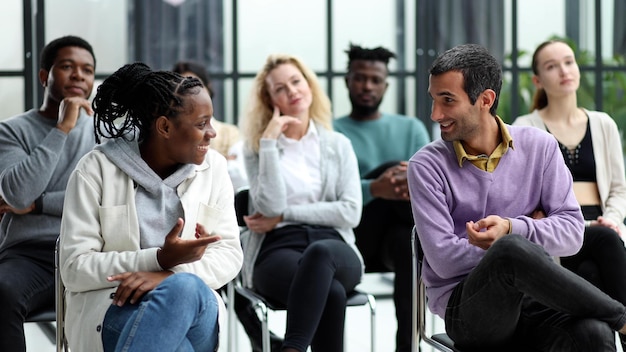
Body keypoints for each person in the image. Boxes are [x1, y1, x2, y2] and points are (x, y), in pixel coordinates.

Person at [408, 43, 626, 351]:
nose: (435, 114)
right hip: (469, 310)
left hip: (535, 300)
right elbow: (444, 261)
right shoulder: (425, 166)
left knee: (594, 332)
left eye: (447, 101)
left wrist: (514, 228)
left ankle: (613, 321)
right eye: (434, 100)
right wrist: (514, 246)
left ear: (485, 100)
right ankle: (621, 317)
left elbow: (572, 235)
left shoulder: (541, 147)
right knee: (509, 250)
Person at [59, 62, 243, 352]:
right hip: (116, 306)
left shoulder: (214, 168)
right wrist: (157, 258)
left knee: (184, 289)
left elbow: (230, 253)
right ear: (165, 127)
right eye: (201, 124)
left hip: (196, 308)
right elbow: (74, 267)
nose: (212, 133)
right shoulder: (96, 169)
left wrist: (167, 275)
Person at [239, 53, 363, 352]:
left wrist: (285, 215)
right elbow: (269, 207)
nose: (291, 91)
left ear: (309, 86)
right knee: (330, 292)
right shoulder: (257, 147)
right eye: (280, 88)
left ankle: (291, 348)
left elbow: (351, 211)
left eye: (296, 81)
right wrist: (269, 144)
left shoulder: (338, 145)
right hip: (278, 250)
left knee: (321, 254)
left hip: (335, 246)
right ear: (270, 100)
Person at [514, 39, 626, 348]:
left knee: (594, 266)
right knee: (604, 245)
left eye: (569, 61)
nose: (564, 70)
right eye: (552, 66)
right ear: (538, 80)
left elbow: (618, 188)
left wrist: (612, 218)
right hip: (559, 232)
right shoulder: (526, 127)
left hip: (604, 227)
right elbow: (523, 195)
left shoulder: (603, 124)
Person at [0, 35, 97, 352]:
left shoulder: (104, 133)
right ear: (45, 76)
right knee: (2, 292)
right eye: (67, 67)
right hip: (30, 254)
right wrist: (62, 128)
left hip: (90, 249)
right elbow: (17, 194)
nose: (79, 75)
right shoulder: (12, 130)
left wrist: (40, 204)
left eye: (87, 69)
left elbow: (102, 201)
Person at [333, 43, 430, 352]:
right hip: (355, 236)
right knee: (396, 169)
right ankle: (445, 246)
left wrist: (401, 183)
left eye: (375, 80)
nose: (367, 86)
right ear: (347, 81)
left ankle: (407, 347)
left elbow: (430, 186)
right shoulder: (331, 132)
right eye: (360, 78)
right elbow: (330, 193)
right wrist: (377, 188)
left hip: (398, 238)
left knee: (407, 240)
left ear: (386, 85)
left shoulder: (410, 128)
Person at [172, 60, 240, 158]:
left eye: (196, 85)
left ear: (208, 87)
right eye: (183, 89)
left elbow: (235, 168)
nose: (191, 94)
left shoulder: (230, 133)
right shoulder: (172, 133)